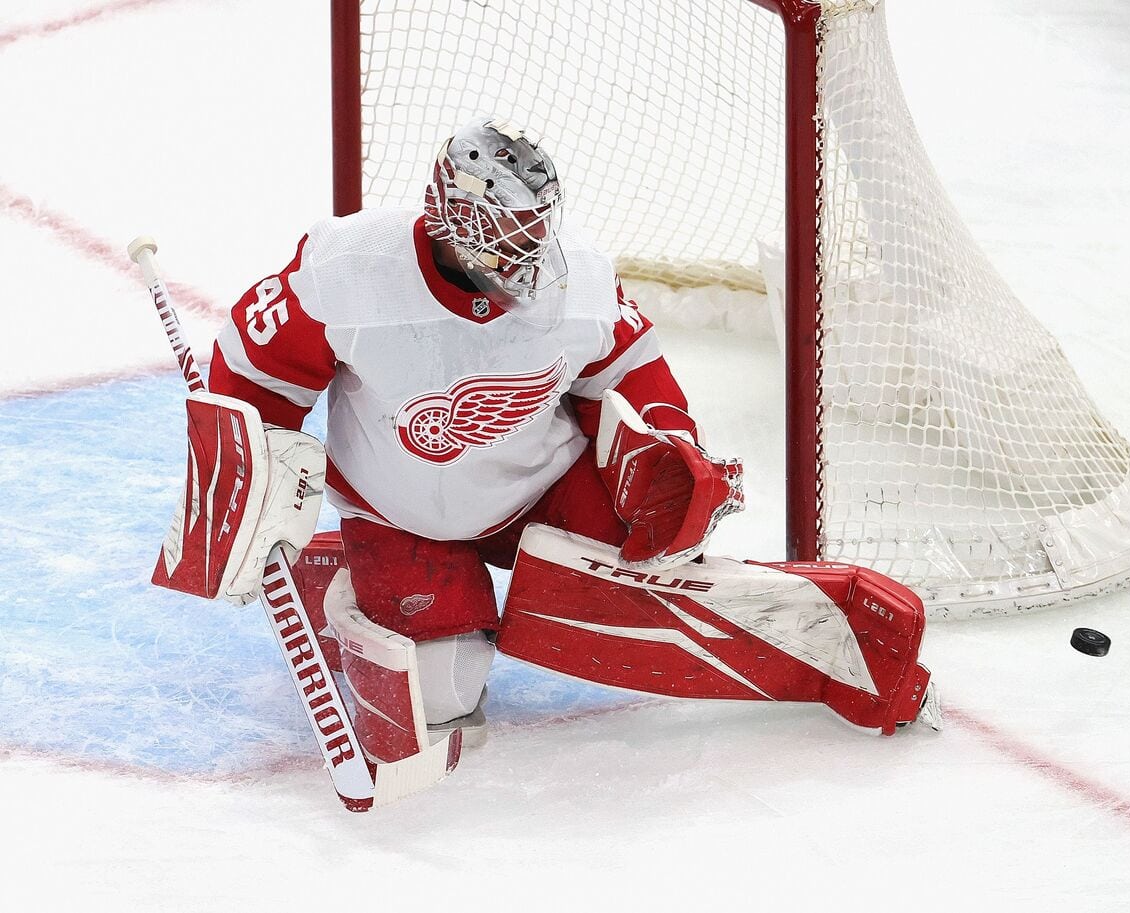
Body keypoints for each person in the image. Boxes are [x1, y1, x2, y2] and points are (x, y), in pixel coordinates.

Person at [206, 116, 745, 746]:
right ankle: (349, 572)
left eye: (535, 220)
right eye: (506, 224)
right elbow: (255, 374)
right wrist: (250, 482)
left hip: (538, 489)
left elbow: (630, 373)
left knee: (644, 573)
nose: (530, 242)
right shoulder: (352, 269)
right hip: (400, 511)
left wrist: (667, 449)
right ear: (450, 215)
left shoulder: (582, 279)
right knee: (444, 697)